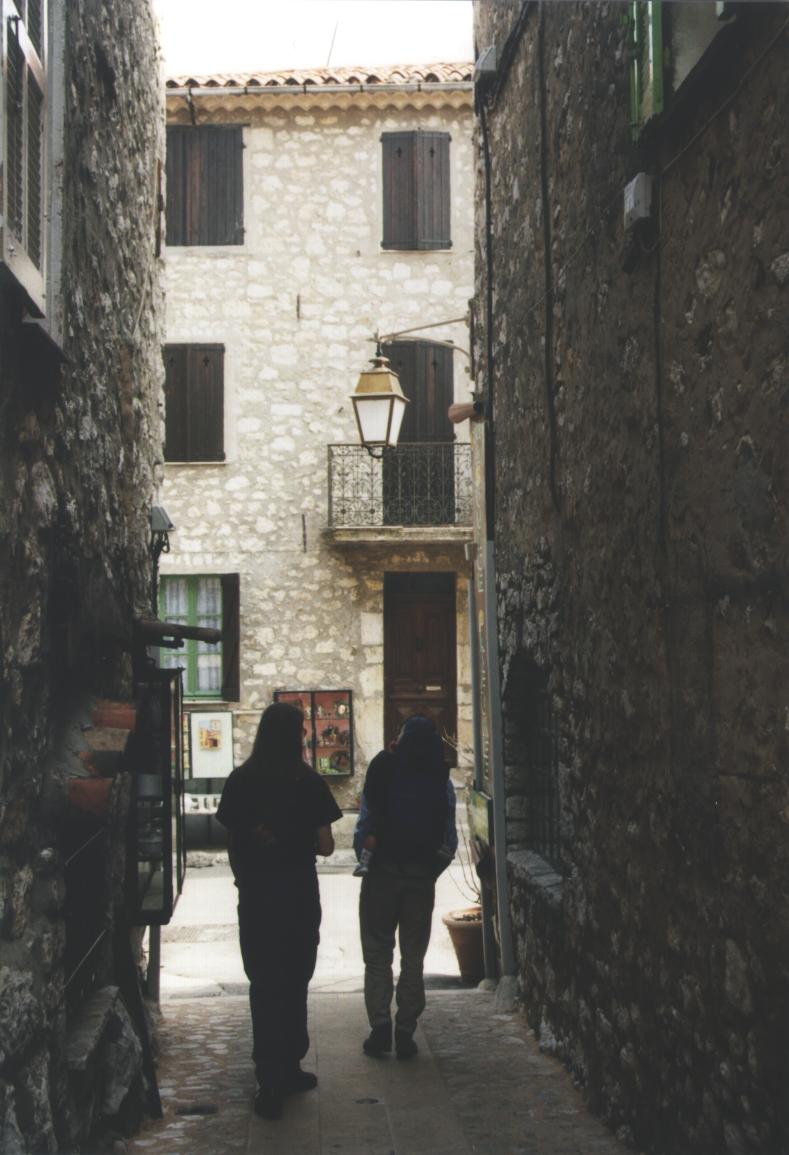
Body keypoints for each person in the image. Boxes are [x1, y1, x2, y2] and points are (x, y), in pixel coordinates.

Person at [217, 701, 342, 1120]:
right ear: (296, 736)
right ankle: (289, 1064)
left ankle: (267, 1074)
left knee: (264, 981)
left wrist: (245, 878)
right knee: (295, 978)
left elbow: (232, 842)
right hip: (298, 894)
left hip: (257, 895)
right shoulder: (308, 782)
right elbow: (326, 846)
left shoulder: (241, 780)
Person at [353, 714, 457, 1060]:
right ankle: (406, 1029)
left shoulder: (383, 767)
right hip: (419, 878)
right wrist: (429, 873)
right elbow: (449, 840)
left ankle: (380, 1026)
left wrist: (366, 860)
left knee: (377, 953)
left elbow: (365, 823)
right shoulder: (439, 778)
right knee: (413, 957)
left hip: (382, 874)